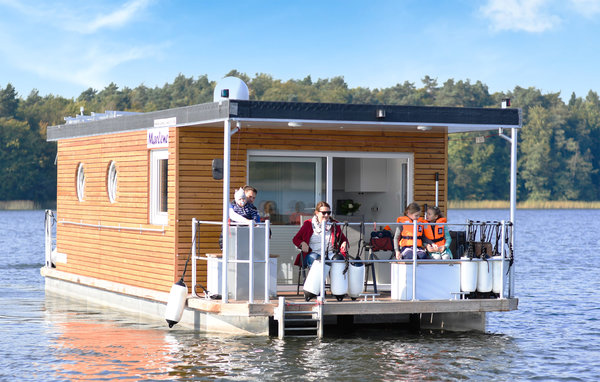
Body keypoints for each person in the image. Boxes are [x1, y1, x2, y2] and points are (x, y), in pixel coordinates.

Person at [292, 201, 349, 267]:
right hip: (313, 253)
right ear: (317, 213)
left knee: (338, 259)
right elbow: (296, 239)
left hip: (330, 253)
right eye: (324, 213)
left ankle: (337, 277)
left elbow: (343, 239)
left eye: (328, 213)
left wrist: (344, 243)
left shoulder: (334, 224)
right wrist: (302, 243)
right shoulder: (308, 224)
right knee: (317, 260)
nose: (326, 215)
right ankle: (319, 277)